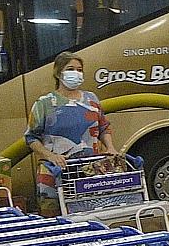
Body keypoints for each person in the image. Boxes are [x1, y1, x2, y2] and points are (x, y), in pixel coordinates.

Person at [24, 53, 117, 215]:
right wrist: (50, 156)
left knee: (91, 216)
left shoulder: (91, 99)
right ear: (58, 73)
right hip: (54, 173)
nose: (76, 73)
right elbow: (31, 138)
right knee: (53, 220)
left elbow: (103, 126)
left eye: (79, 70)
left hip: (90, 172)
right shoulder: (44, 104)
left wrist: (110, 147)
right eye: (70, 69)